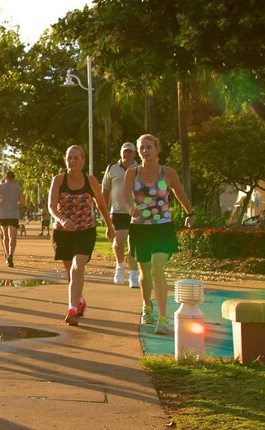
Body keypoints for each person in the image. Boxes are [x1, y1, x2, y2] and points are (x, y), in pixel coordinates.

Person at [122, 134, 194, 334]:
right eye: (142, 148)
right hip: (140, 227)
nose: (145, 151)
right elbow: (126, 197)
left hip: (163, 226)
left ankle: (162, 318)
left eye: (149, 147)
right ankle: (147, 306)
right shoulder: (132, 173)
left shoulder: (168, 173)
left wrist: (190, 212)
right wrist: (130, 210)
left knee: (157, 267)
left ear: (157, 149)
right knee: (145, 271)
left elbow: (180, 193)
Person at [48, 145, 115, 326]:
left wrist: (110, 226)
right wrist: (62, 220)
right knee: (72, 273)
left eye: (76, 158)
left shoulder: (91, 181)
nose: (73, 161)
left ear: (83, 161)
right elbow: (52, 207)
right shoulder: (58, 180)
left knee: (77, 268)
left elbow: (101, 205)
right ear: (66, 160)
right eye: (70, 157)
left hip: (85, 231)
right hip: (63, 232)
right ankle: (80, 301)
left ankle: (72, 309)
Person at [102, 142, 140, 288]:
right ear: (121, 153)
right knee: (119, 242)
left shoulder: (140, 168)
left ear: (134, 154)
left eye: (130, 152)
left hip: (136, 211)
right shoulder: (112, 168)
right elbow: (106, 190)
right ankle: (120, 266)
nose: (127, 154)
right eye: (125, 152)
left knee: (134, 244)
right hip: (117, 211)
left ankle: (133, 274)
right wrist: (104, 210)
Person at [0, 171, 25, 267]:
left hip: (2, 215)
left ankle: (6, 256)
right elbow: (22, 203)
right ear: (13, 178)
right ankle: (11, 255)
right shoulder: (18, 188)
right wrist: (17, 204)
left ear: (5, 177)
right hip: (13, 214)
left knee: (5, 236)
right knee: (12, 237)